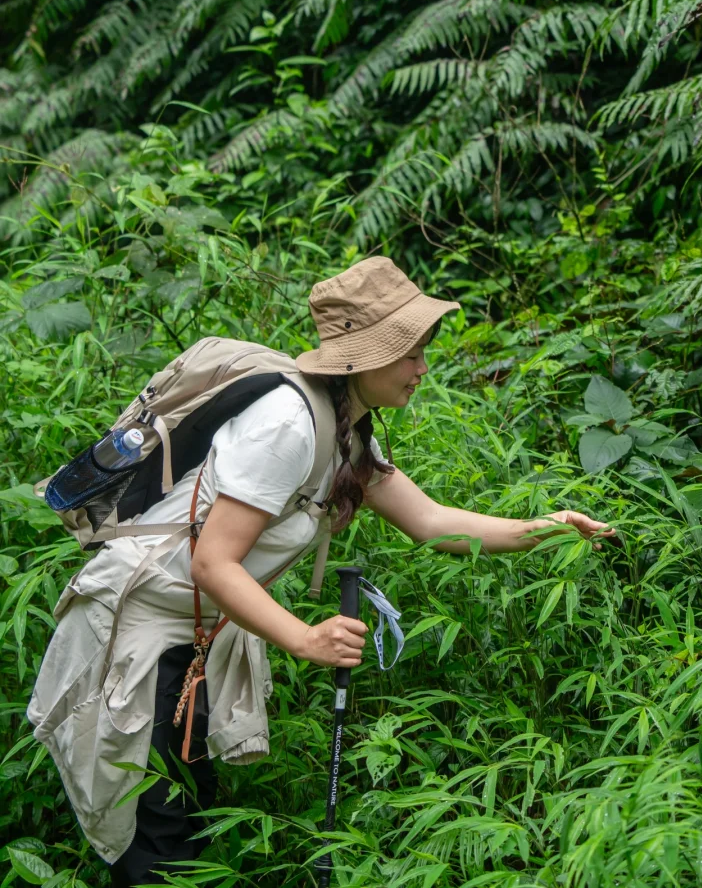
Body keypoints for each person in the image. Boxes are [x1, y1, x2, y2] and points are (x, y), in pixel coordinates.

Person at [27, 256, 613, 885]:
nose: (422, 369)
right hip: (140, 631)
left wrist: (546, 528)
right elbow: (213, 563)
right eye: (410, 354)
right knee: (156, 842)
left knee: (185, 816)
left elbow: (431, 521)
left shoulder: (343, 429)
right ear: (364, 357)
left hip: (194, 636)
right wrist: (307, 640)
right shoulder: (288, 425)